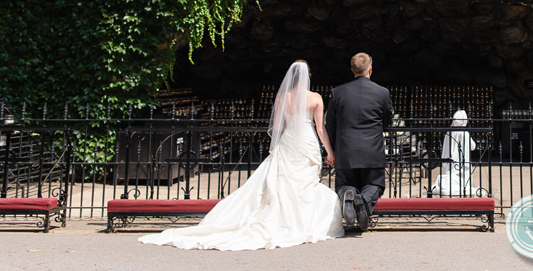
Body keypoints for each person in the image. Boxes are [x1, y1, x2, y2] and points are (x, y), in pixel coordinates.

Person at [139, 60, 342, 250]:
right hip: (306, 142)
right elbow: (320, 128)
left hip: (289, 141)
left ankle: (282, 218)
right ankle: (302, 220)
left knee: (283, 182)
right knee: (304, 183)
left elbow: (278, 126)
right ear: (308, 76)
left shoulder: (282, 97)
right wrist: (330, 151)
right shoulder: (315, 98)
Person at [325, 52, 393, 232]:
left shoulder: (337, 92)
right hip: (372, 151)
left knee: (345, 183)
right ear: (370, 69)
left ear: (352, 70)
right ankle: (362, 200)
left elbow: (329, 123)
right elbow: (388, 120)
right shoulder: (382, 92)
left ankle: (349, 195)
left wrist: (332, 148)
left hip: (345, 151)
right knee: (375, 185)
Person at [430, 109, 479, 197]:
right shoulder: (465, 133)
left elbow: (445, 148)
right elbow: (473, 147)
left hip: (451, 162)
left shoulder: (449, 133)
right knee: (464, 180)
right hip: (462, 163)